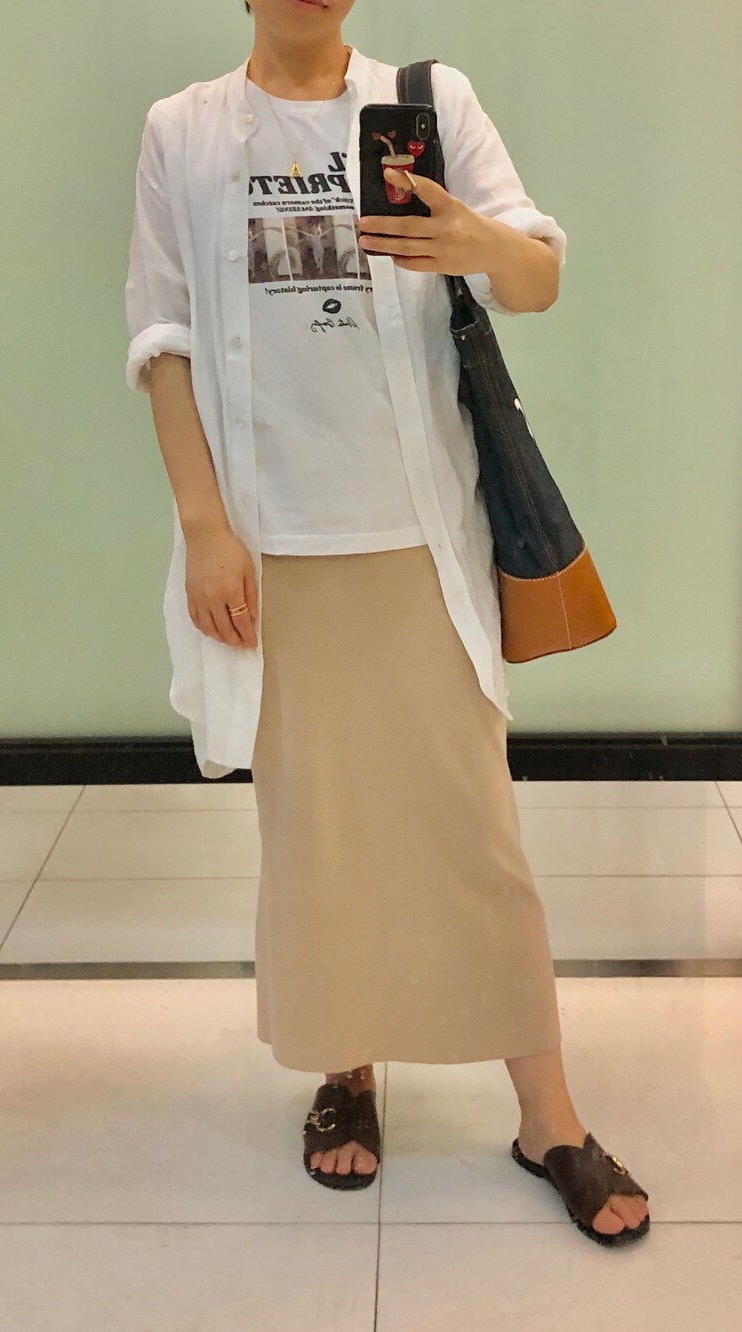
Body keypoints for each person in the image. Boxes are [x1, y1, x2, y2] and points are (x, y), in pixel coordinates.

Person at [124, 0, 650, 1247]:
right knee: (318, 829)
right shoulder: (182, 131)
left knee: (474, 824)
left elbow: (538, 277)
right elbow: (163, 337)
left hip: (418, 533)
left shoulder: (426, 100)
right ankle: (347, 1067)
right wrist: (204, 525)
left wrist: (469, 237)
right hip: (273, 546)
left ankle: (549, 1114)